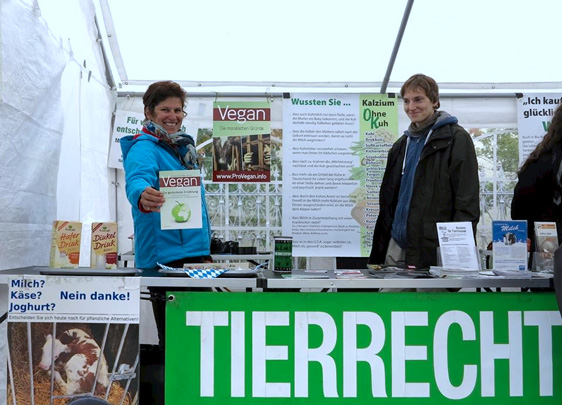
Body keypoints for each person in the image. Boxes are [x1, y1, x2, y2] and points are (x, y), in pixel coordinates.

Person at [120, 80, 212, 350]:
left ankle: (196, 390)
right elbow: (137, 179)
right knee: (177, 340)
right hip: (167, 260)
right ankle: (174, 392)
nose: (173, 116)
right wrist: (141, 195)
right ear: (149, 112)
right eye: (165, 110)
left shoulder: (180, 148)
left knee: (202, 335)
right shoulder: (144, 147)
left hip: (194, 255)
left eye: (178, 110)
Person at [369, 74, 480, 269]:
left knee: (430, 299)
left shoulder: (456, 139)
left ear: (435, 101)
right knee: (389, 299)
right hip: (396, 245)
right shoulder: (400, 146)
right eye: (406, 101)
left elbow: (467, 200)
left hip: (433, 248)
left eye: (418, 99)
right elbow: (388, 203)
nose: (411, 107)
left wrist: (456, 250)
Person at [511, 103, 562, 266]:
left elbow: (519, 211)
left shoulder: (541, 157)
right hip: (549, 253)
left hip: (546, 255)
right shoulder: (546, 159)